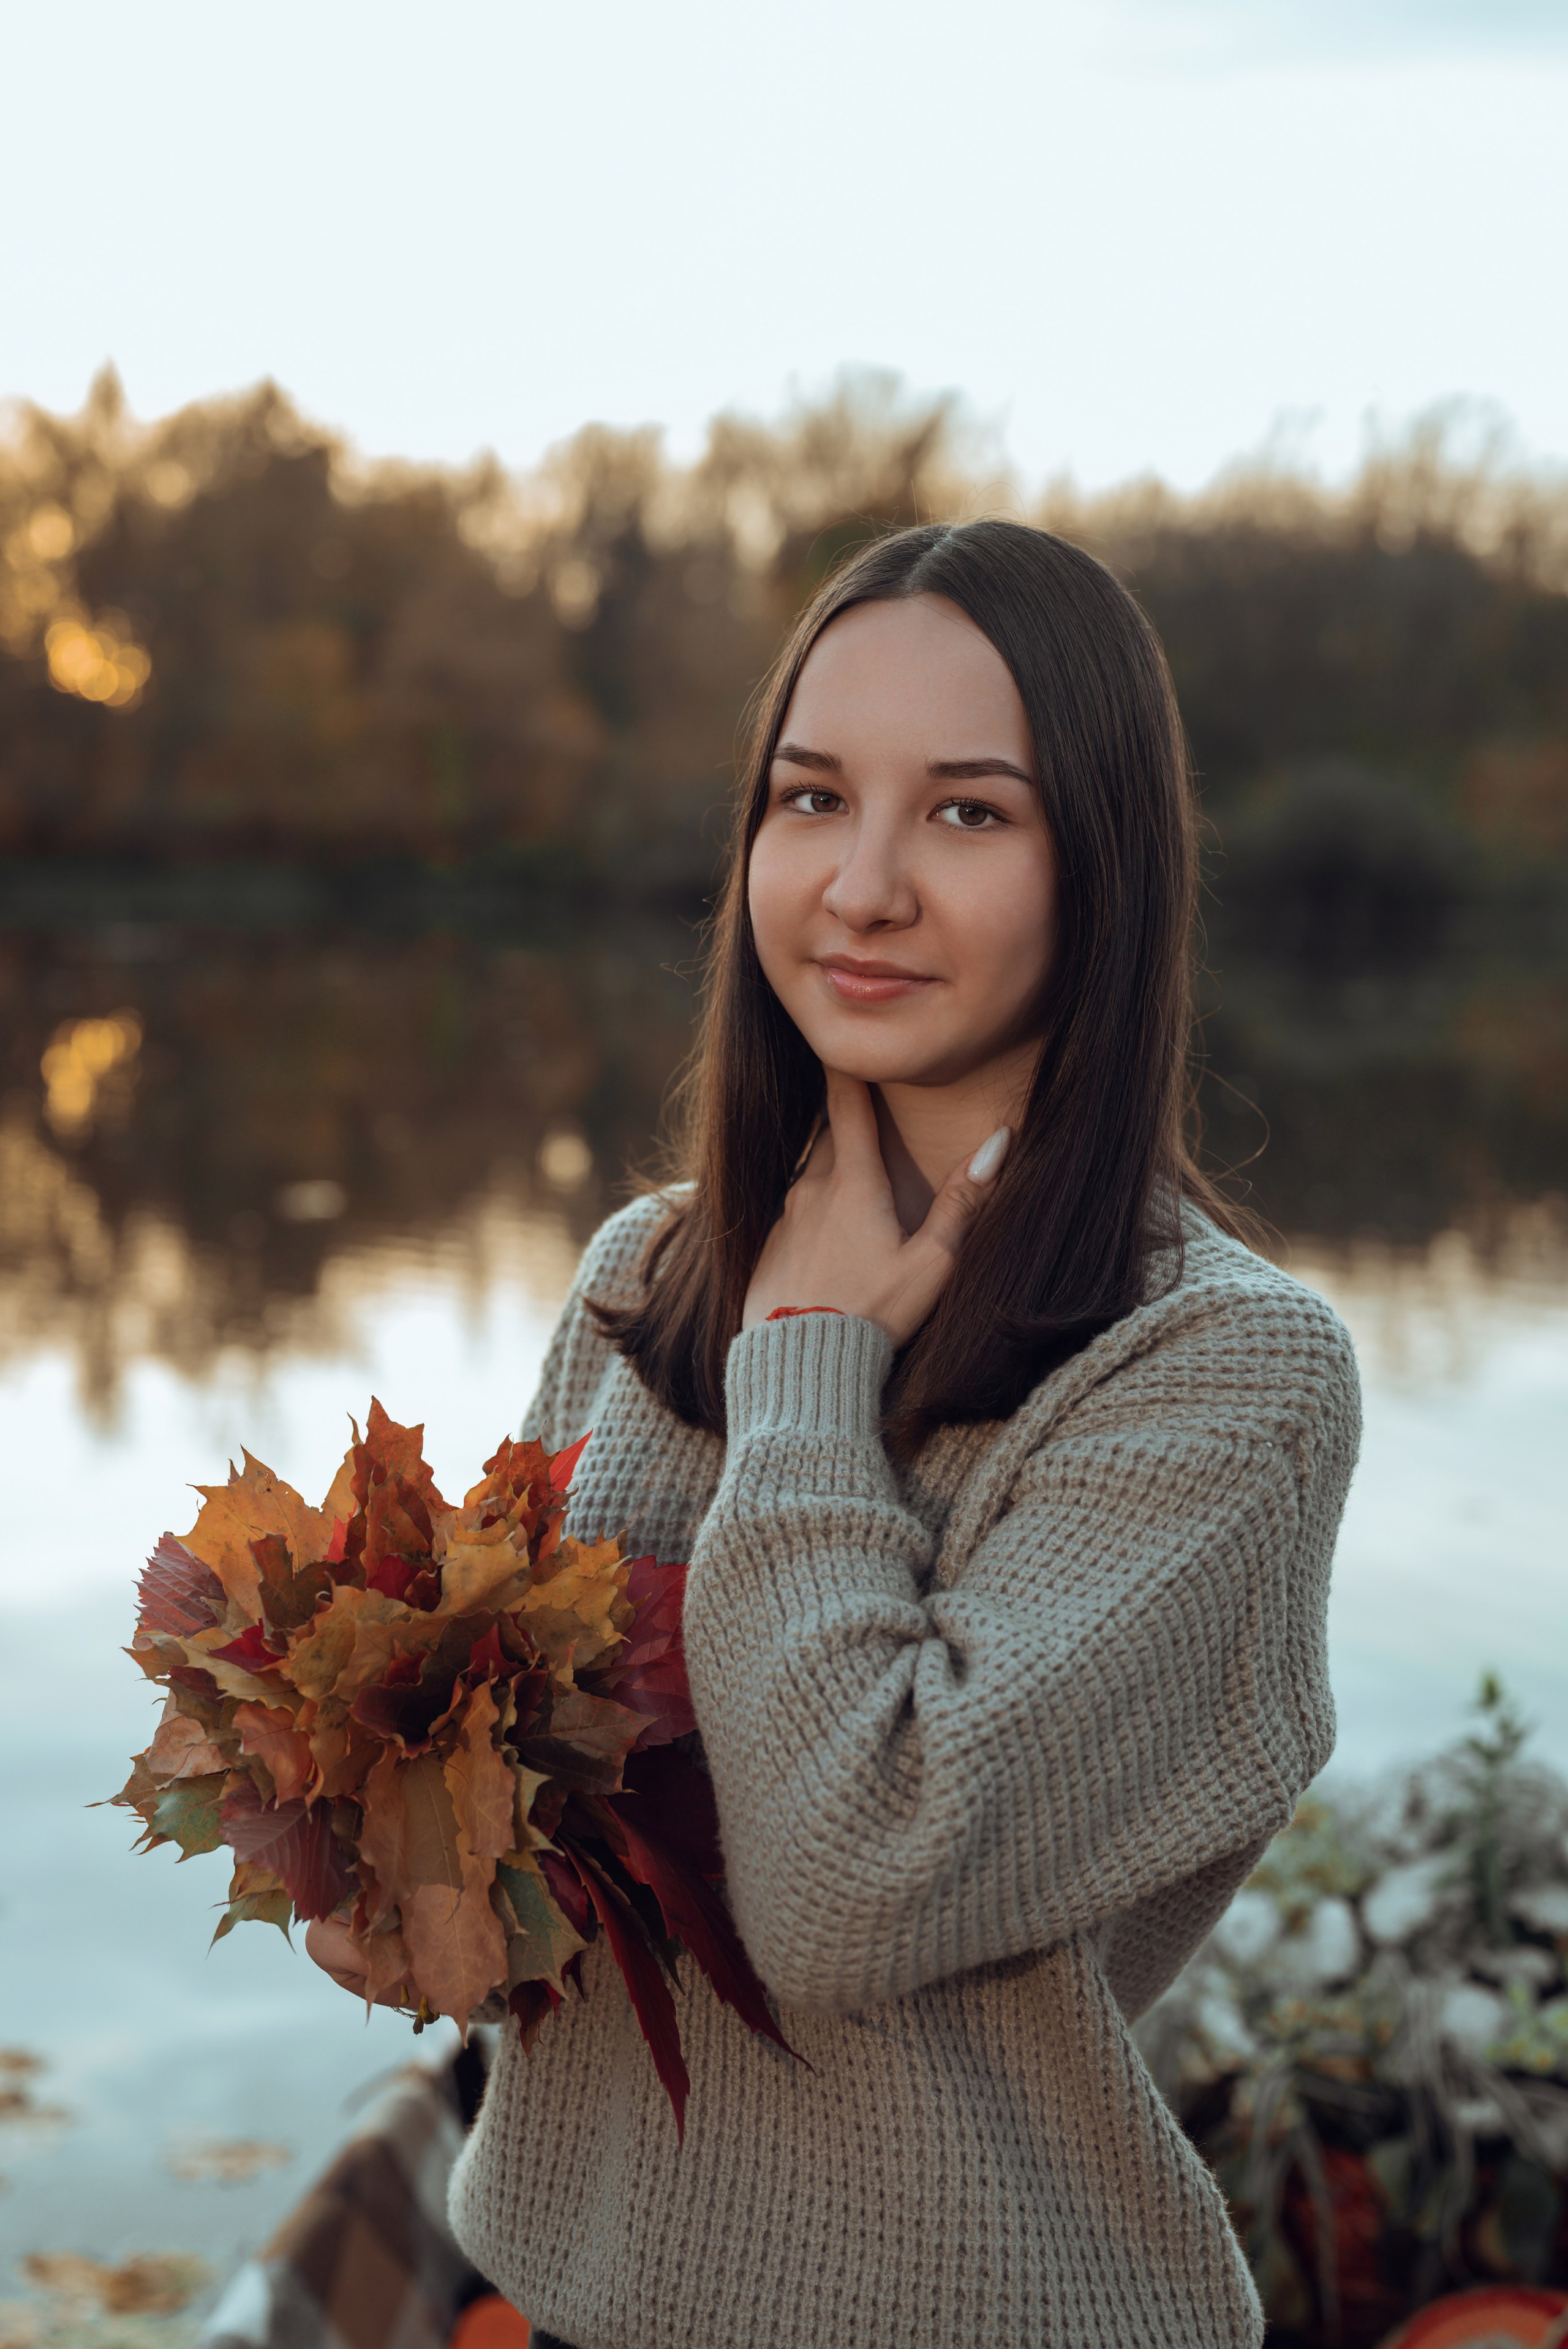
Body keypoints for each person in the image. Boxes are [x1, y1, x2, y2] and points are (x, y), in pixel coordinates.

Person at [307, 519, 1361, 2348]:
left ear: (1102, 866)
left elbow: (852, 1891)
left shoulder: (1224, 1380)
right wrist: (421, 1886)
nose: (862, 884)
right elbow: (560, 1841)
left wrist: (806, 1377)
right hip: (577, 2304)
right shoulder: (646, 1275)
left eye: (967, 812)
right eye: (811, 799)